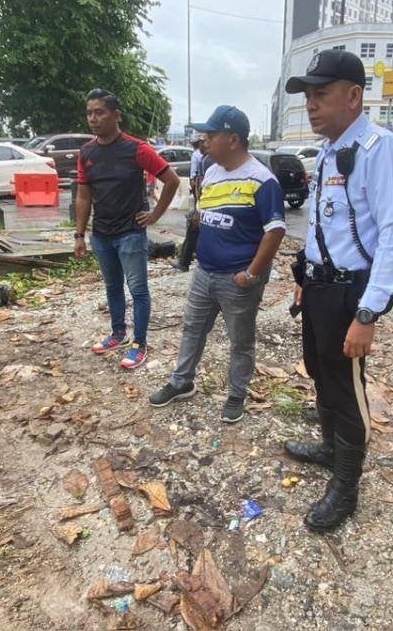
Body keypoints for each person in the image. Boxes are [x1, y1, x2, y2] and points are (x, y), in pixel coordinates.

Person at [282, 49, 393, 532]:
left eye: (321, 94)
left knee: (346, 384)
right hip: (319, 287)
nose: (311, 105)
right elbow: (325, 226)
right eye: (309, 97)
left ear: (354, 96)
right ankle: (329, 446)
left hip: (350, 295)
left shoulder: (381, 149)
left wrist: (368, 313)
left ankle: (346, 484)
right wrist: (304, 278)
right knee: (320, 371)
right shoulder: (327, 150)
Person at [149, 106, 286, 423]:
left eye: (211, 135)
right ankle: (181, 382)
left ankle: (237, 394)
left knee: (240, 341)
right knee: (192, 329)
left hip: (237, 279)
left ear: (234, 139)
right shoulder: (210, 171)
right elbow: (204, 215)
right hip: (205, 272)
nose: (204, 140)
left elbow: (275, 230)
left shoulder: (262, 180)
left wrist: (251, 274)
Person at [74, 88, 182, 370]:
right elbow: (83, 195)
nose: (93, 118)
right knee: (112, 287)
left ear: (116, 115)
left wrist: (156, 214)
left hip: (130, 234)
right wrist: (79, 235)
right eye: (89, 113)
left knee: (138, 289)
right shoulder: (87, 152)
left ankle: (140, 343)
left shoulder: (137, 149)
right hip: (101, 234)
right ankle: (118, 333)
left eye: (100, 112)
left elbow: (171, 180)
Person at [176, 136, 214, 271]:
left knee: (194, 230)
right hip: (203, 201)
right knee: (194, 230)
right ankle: (186, 260)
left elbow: (203, 185)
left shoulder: (208, 160)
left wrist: (199, 205)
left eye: (204, 142)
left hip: (205, 203)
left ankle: (185, 262)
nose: (202, 145)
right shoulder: (205, 158)